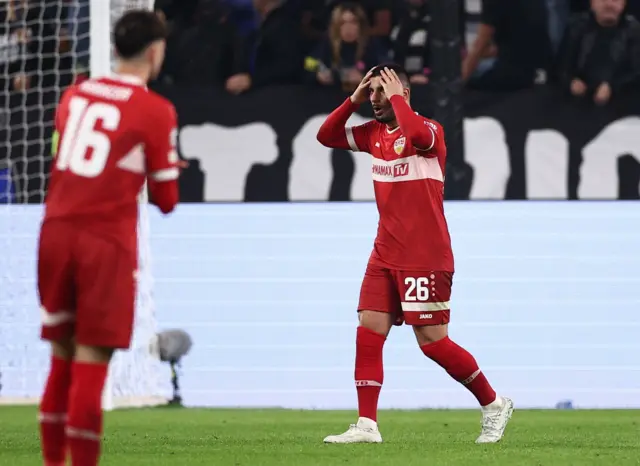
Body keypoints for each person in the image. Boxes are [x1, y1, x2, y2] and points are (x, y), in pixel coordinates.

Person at [316, 63, 513, 445]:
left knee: (433, 342)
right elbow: (326, 136)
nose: (374, 100)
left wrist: (396, 98)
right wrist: (353, 97)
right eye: (370, 93)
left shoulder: (431, 130)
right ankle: (367, 424)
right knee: (368, 330)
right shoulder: (373, 134)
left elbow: (418, 134)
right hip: (384, 252)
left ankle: (493, 404)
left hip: (425, 255)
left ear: (403, 94)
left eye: (381, 92)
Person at [37, 10, 180, 466]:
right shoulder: (155, 110)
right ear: (155, 52)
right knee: (91, 362)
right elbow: (166, 197)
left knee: (60, 359)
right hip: (103, 243)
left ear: (115, 48)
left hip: (54, 233)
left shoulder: (73, 95)